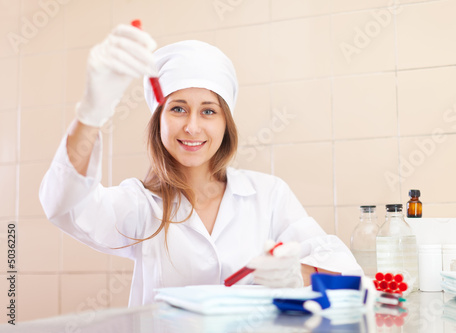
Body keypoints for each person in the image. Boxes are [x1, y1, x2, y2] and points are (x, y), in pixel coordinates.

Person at [39, 24, 362, 307]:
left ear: (225, 123)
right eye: (178, 109)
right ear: (159, 121)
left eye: (208, 111)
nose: (192, 127)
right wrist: (91, 114)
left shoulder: (269, 195)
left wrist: (296, 275)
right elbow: (66, 204)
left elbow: (345, 272)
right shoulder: (141, 205)